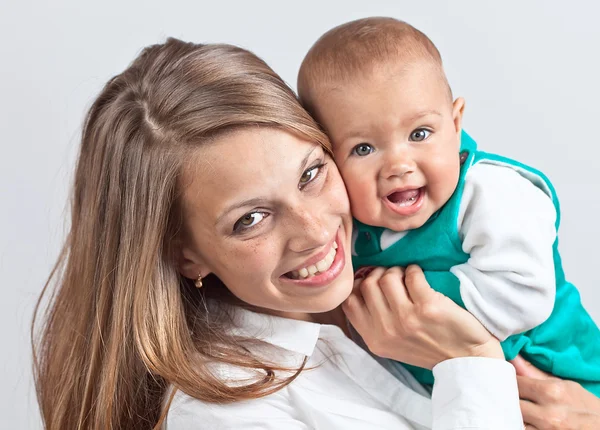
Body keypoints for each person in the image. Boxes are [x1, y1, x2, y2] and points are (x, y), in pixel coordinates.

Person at [31, 38, 599, 430]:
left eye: (310, 173)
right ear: (186, 256)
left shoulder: (409, 249)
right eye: (250, 219)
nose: (314, 230)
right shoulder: (225, 414)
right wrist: (473, 362)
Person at [297, 17, 600, 395]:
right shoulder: (353, 223)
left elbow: (523, 293)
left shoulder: (492, 192)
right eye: (363, 148)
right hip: (459, 392)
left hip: (561, 375)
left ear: (456, 125)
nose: (398, 165)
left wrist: (406, 300)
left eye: (419, 134)